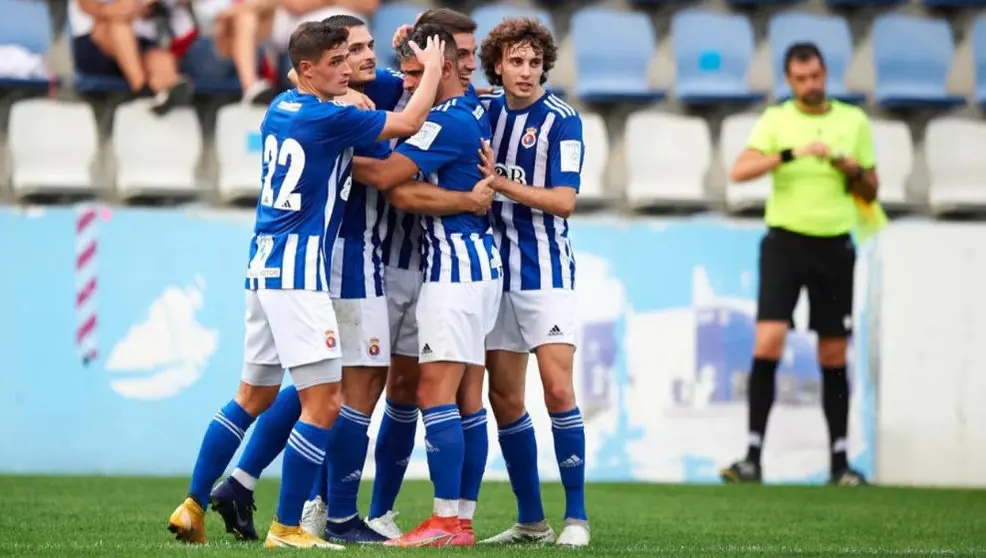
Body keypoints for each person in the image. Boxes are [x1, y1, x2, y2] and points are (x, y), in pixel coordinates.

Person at [206, 16, 492, 544]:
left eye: (368, 46)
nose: (365, 58)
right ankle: (328, 511)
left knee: (370, 388)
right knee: (344, 390)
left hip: (400, 263)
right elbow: (390, 167)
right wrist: (466, 199)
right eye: (351, 50)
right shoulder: (349, 100)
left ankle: (257, 486)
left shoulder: (381, 87)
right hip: (347, 260)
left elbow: (426, 90)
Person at [353, 23, 500, 548]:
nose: (410, 84)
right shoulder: (472, 109)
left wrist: (333, 151)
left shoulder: (445, 122)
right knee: (467, 401)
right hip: (477, 264)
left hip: (454, 268)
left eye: (419, 73)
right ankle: (459, 521)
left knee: (434, 393)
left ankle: (444, 519)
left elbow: (388, 177)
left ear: (445, 68)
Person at [719, 42, 877, 487]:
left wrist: (852, 170)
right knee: (768, 342)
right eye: (801, 79)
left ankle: (840, 464)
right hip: (785, 244)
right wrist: (791, 153)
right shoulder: (777, 120)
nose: (810, 85)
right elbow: (740, 171)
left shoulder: (854, 121)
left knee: (833, 350)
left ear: (826, 73)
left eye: (816, 76)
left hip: (834, 245)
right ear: (789, 81)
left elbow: (872, 191)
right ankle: (752, 459)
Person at [471, 18, 590, 548]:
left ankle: (578, 518)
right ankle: (531, 521)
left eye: (534, 62)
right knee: (505, 398)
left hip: (546, 271)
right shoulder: (485, 110)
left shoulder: (562, 120)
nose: (525, 71)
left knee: (559, 387)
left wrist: (497, 182)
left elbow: (564, 202)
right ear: (497, 64)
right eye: (515, 61)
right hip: (493, 273)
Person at [69, 0, 194, 114]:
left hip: (140, 42)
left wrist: (142, 6)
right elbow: (85, 5)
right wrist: (110, 10)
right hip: (96, 44)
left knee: (162, 60)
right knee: (118, 24)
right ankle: (143, 91)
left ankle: (162, 93)